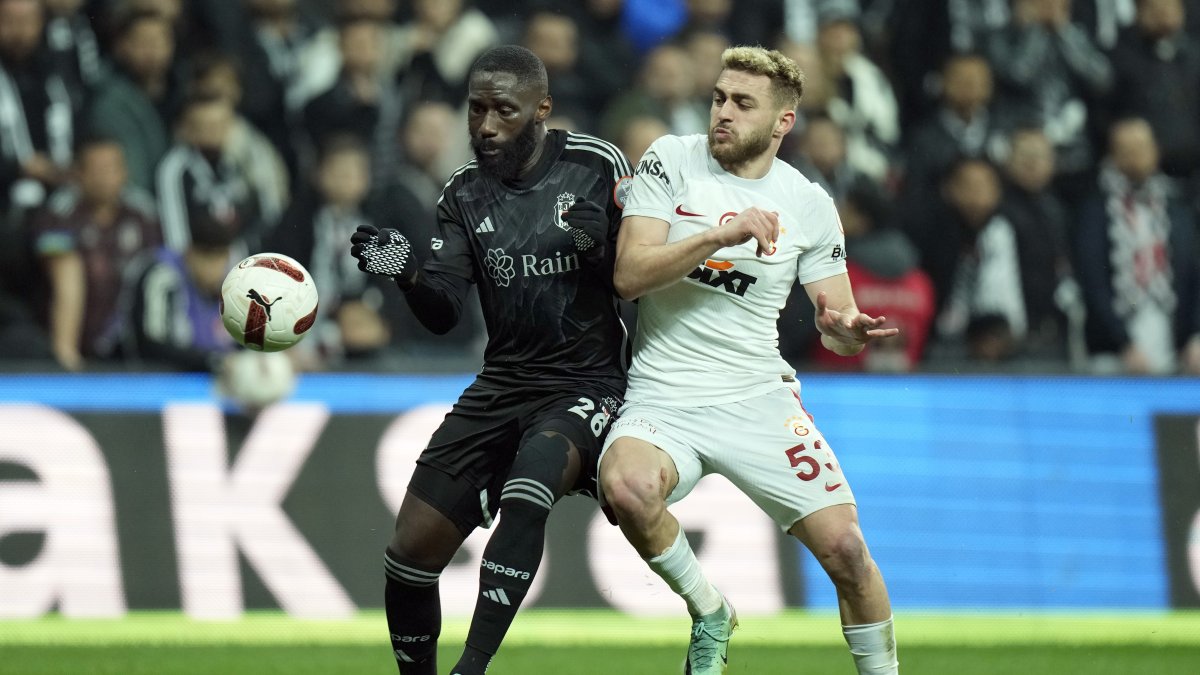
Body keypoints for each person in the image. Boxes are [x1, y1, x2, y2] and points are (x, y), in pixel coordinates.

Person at [598, 46, 900, 675]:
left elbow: (837, 324)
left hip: (758, 396)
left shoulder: (807, 202)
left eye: (742, 103)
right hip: (664, 395)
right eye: (718, 98)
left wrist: (844, 329)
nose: (723, 114)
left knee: (847, 550)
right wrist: (717, 234)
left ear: (783, 123)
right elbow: (628, 275)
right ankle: (709, 609)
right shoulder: (670, 159)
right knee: (626, 489)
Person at [348, 45, 632, 675]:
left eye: (505, 109)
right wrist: (408, 273)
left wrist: (597, 247)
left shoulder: (595, 166)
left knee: (529, 487)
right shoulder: (463, 194)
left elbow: (636, 280)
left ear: (542, 110)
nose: (486, 125)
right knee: (408, 555)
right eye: (477, 109)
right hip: (504, 382)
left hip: (587, 381)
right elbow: (444, 310)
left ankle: (470, 668)